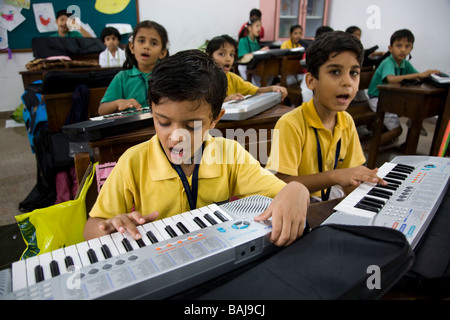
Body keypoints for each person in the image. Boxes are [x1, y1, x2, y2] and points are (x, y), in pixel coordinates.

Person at [84, 50, 310, 247]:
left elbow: (280, 192)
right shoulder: (132, 162)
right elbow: (91, 227)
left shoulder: (229, 153)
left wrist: (297, 190)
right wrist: (111, 227)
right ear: (152, 111)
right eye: (163, 122)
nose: (176, 136)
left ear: (215, 119)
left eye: (191, 126)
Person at [266, 31, 387, 202]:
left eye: (353, 73)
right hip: (297, 205)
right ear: (311, 81)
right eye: (335, 72)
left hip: (329, 199)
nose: (347, 82)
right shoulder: (291, 123)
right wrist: (335, 176)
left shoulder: (346, 121)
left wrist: (370, 189)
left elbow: (349, 179)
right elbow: (282, 183)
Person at [368, 29, 440, 145]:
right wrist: (419, 74)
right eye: (399, 45)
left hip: (390, 98)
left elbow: (418, 77)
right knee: (397, 130)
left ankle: (407, 145)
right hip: (377, 99)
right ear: (390, 48)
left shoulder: (405, 64)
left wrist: (431, 75)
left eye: (407, 46)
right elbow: (391, 79)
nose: (403, 49)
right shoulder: (388, 62)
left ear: (411, 49)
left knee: (415, 113)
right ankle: (369, 147)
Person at [98, 20, 169, 115]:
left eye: (153, 43)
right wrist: (118, 102)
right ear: (132, 47)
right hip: (131, 128)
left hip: (161, 127)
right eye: (141, 41)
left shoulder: (167, 76)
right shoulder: (122, 77)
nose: (146, 46)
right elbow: (102, 110)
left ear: (162, 53)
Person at [206, 35, 287, 102]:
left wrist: (272, 88)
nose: (228, 59)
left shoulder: (233, 78)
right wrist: (225, 101)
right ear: (208, 56)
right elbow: (199, 109)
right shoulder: (202, 79)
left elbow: (256, 91)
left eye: (231, 54)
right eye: (222, 54)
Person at [301, 26, 334, 103]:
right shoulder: (312, 51)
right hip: (311, 76)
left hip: (327, 78)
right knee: (308, 95)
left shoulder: (334, 53)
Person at [237, 17, 269, 84]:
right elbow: (244, 57)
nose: (259, 28)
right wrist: (259, 51)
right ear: (249, 28)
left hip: (254, 66)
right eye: (257, 26)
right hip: (245, 67)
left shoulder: (256, 42)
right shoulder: (243, 40)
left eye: (260, 26)